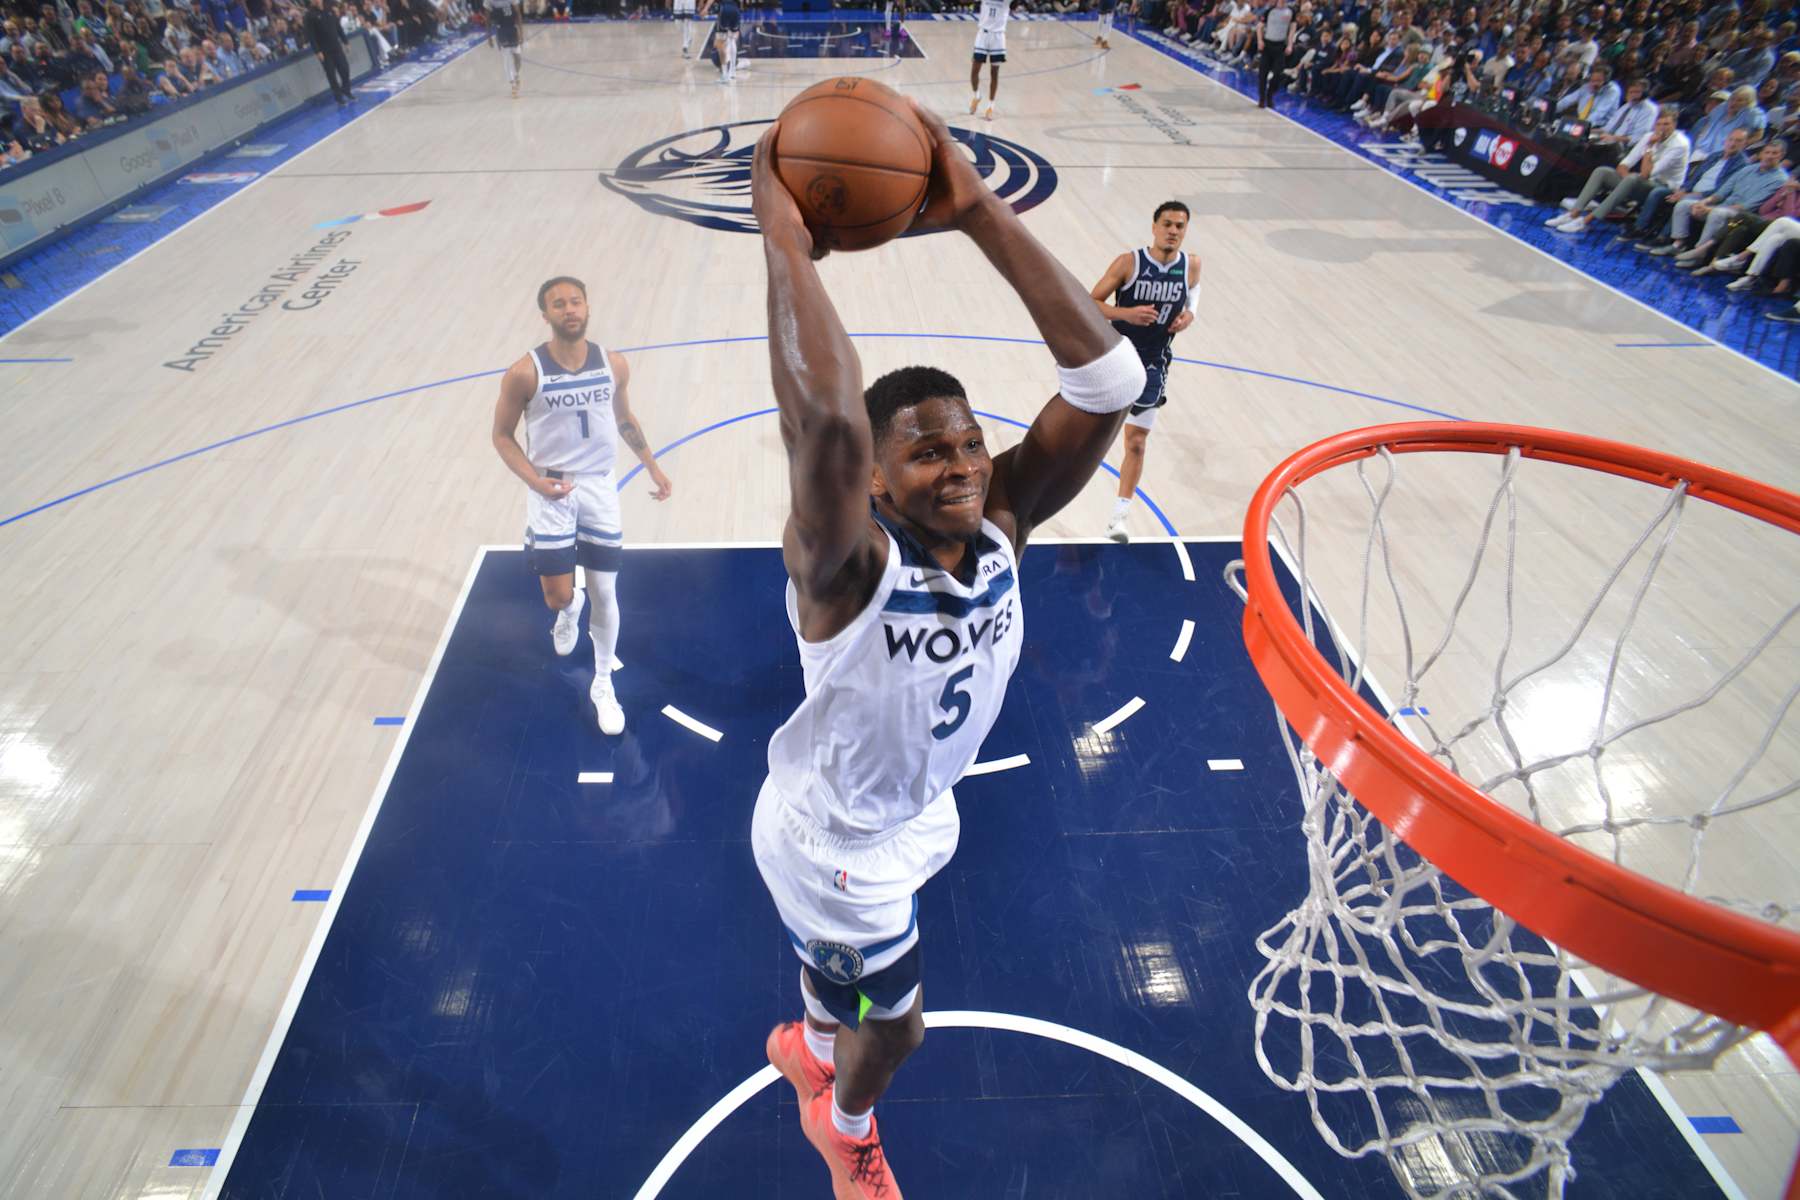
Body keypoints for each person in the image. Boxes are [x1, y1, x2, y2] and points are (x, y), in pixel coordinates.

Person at [749, 100, 1145, 1200]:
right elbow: (825, 424)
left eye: (970, 441)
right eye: (926, 454)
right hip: (834, 842)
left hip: (909, 811)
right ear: (876, 483)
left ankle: (812, 1048)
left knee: (845, 999)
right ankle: (846, 1125)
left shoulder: (1006, 520)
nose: (963, 464)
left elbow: (1110, 383)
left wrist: (976, 207)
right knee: (905, 1028)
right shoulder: (847, 570)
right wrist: (782, 233)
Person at [490, 277, 674, 736]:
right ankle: (570, 610)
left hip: (598, 488)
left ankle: (603, 683)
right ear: (545, 314)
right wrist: (535, 481)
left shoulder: (613, 364)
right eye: (559, 304)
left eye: (575, 301)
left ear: (587, 307)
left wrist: (651, 465)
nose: (569, 309)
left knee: (607, 592)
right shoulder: (524, 373)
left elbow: (624, 418)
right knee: (557, 595)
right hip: (549, 486)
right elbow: (501, 436)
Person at [1090, 201, 1200, 544]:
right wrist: (1126, 314)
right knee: (1090, 439)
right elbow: (1090, 302)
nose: (1173, 231)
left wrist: (1190, 315)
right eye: (1167, 224)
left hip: (1155, 364)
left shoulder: (1191, 265)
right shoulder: (1129, 263)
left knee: (1136, 443)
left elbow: (1193, 293)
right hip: (1116, 360)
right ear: (1154, 227)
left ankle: (1118, 517)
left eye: (1179, 226)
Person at [1550, 103, 1690, 234]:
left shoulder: (1680, 144)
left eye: (1667, 124)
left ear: (1674, 125)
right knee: (1602, 171)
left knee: (1633, 178)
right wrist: (1626, 178)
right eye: (1659, 124)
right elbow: (1625, 163)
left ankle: (1585, 221)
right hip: (1641, 181)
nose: (1662, 128)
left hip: (1665, 187)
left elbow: (1647, 174)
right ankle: (1573, 214)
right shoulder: (1648, 136)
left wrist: (1649, 148)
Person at [304, 0, 352, 102]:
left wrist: (345, 41)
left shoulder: (329, 9)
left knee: (345, 69)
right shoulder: (309, 15)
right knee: (331, 75)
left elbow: (338, 28)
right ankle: (338, 97)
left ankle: (346, 90)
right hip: (324, 51)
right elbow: (311, 36)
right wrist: (317, 51)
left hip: (336, 47)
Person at [969, 0, 1009, 120]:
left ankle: (991, 106)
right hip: (982, 35)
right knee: (974, 70)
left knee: (994, 73)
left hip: (998, 36)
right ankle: (977, 96)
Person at [1256, 0, 1294, 106]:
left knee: (1278, 73)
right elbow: (1259, 26)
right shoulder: (1269, 10)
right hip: (1268, 45)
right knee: (1262, 74)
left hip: (1280, 45)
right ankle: (1262, 97)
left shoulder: (1291, 12)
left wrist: (1290, 44)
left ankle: (1270, 94)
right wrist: (1260, 40)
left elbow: (1292, 30)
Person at [698, 0, 738, 83]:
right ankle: (732, 72)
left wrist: (706, 9)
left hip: (725, 8)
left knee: (720, 43)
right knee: (732, 39)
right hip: (735, 9)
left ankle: (725, 75)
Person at [488, 0, 522, 96]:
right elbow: (487, 19)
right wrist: (489, 36)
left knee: (518, 58)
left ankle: (516, 75)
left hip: (512, 29)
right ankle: (513, 85)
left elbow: (518, 14)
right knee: (506, 58)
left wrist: (521, 32)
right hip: (501, 30)